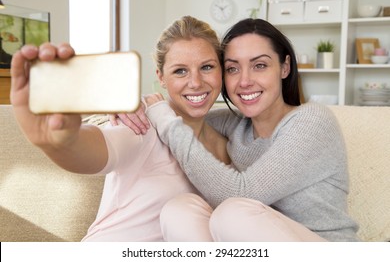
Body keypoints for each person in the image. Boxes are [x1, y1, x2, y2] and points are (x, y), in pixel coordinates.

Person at [117, 18, 360, 242]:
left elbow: (238, 193)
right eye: (233, 68)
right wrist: (135, 105)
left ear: (285, 67)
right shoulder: (236, 124)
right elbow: (186, 115)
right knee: (180, 209)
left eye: (260, 65)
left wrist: (161, 114)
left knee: (232, 213)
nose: (244, 81)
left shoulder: (311, 121)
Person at [10, 15, 230, 241]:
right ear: (161, 77)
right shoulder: (142, 120)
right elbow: (99, 148)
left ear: (221, 71)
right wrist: (62, 142)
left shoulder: (228, 144)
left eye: (207, 67)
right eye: (180, 71)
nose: (195, 82)